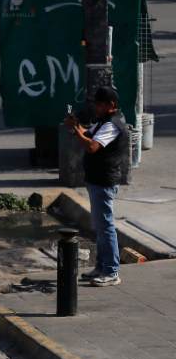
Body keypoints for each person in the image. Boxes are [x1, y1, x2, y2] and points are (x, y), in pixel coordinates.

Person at [64, 87, 131, 288]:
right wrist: (76, 126)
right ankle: (101, 267)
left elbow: (92, 146)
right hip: (96, 180)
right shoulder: (103, 121)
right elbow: (88, 134)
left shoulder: (112, 125)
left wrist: (76, 130)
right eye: (96, 104)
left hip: (104, 181)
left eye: (100, 104)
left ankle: (111, 271)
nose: (96, 107)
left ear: (111, 105)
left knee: (106, 227)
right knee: (100, 227)